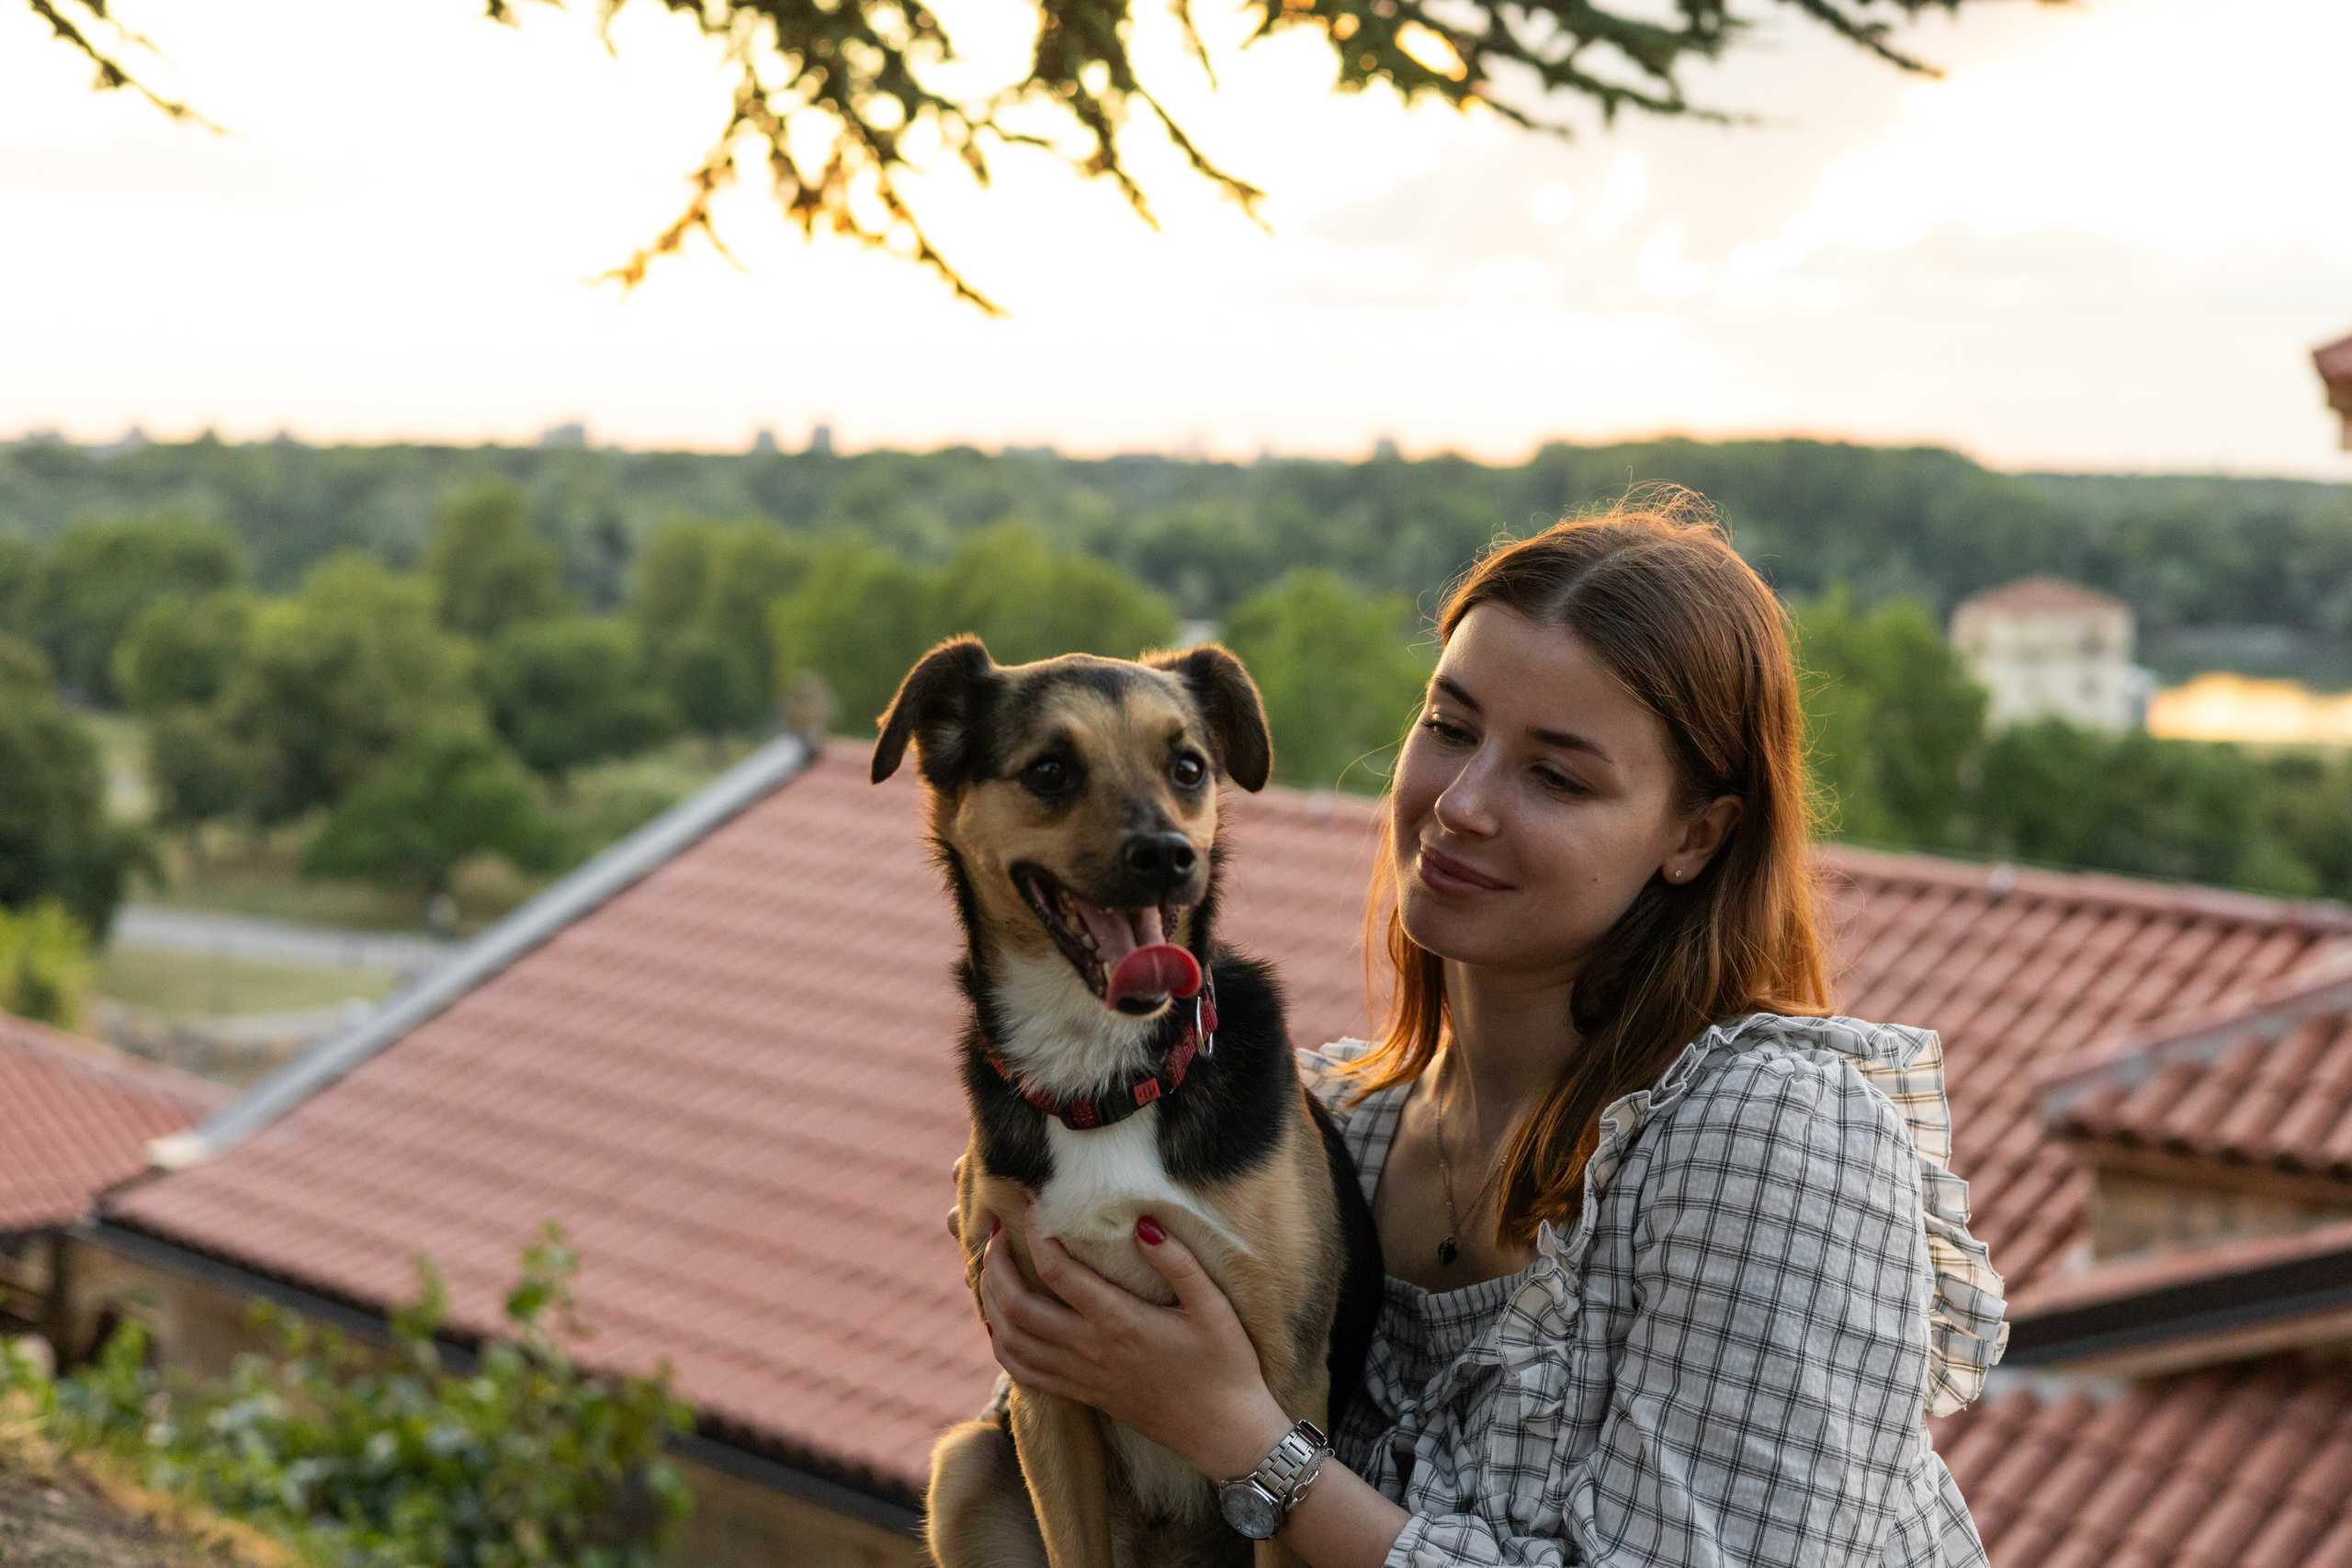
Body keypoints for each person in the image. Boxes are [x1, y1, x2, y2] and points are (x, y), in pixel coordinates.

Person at [975, 496, 2008, 1567]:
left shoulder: (1773, 1140)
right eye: (1449, 727)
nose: (1460, 802)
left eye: (1555, 775)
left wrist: (1243, 1439)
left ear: (1696, 836)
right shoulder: (1334, 1133)